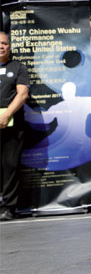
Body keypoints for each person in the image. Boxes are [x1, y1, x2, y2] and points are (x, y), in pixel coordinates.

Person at [0, 32, 29, 221]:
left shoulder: (18, 67)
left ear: (10, 46)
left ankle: (7, 207)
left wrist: (7, 114)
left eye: (4, 43)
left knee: (10, 165)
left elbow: (22, 94)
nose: (1, 46)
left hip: (12, 124)